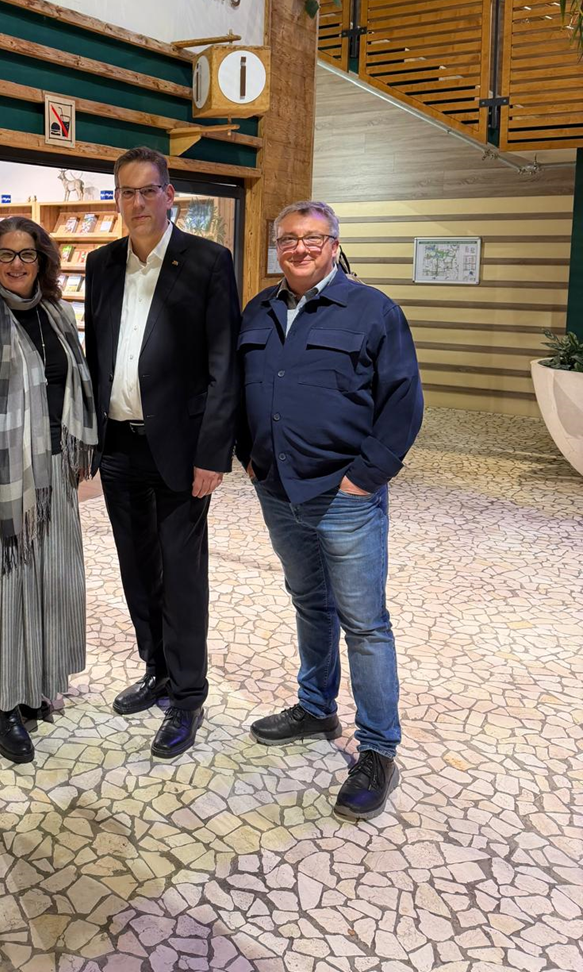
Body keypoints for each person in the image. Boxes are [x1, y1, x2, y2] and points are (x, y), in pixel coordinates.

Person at [237, 200, 423, 821]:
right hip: (278, 489)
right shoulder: (258, 310)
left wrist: (363, 480)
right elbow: (242, 389)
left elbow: (402, 402)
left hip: (344, 496)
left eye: (312, 238)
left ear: (334, 243)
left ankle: (377, 750)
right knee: (309, 602)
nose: (298, 248)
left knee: (365, 622)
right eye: (287, 238)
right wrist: (249, 454)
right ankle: (316, 707)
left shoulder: (373, 310)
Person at [85, 147, 240, 759]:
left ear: (170, 194)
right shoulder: (100, 265)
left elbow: (224, 366)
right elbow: (97, 354)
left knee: (182, 575)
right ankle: (156, 667)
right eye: (127, 193)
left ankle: (189, 693)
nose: (139, 203)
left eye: (150, 191)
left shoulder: (207, 262)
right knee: (136, 568)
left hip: (180, 452)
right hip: (119, 447)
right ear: (117, 199)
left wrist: (214, 453)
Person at [0, 217, 97, 764]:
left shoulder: (60, 315)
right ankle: (3, 703)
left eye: (27, 254)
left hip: (54, 470)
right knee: (1, 589)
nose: (16, 264)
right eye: (5, 255)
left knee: (49, 582)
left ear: (43, 261)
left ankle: (35, 685)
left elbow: (76, 387)